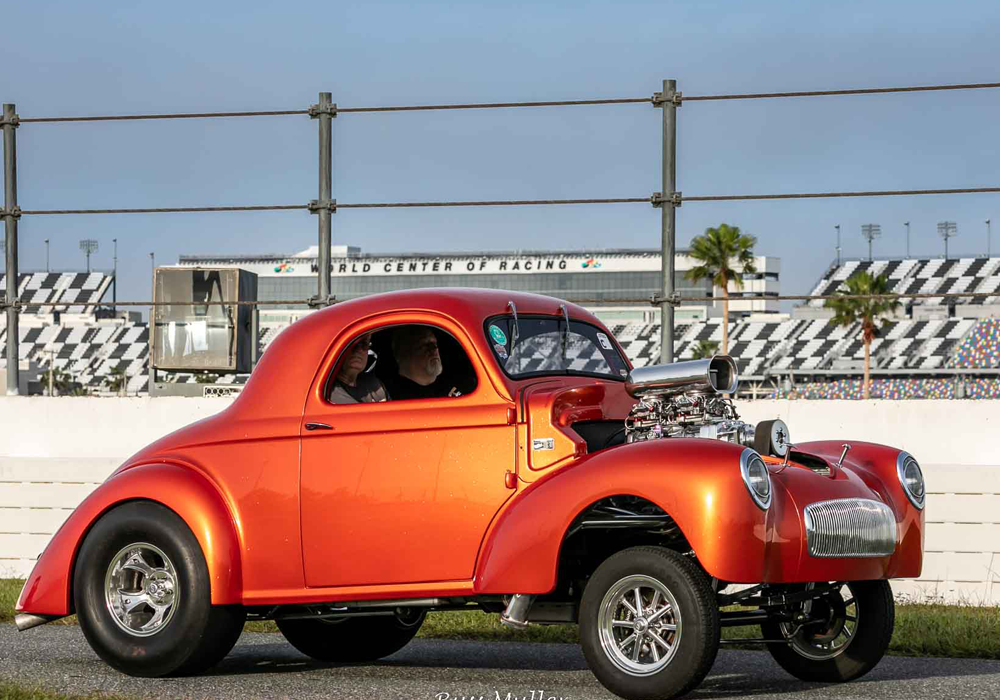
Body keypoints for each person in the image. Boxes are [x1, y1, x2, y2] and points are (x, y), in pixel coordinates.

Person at [386, 326, 464, 400]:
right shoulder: (393, 398)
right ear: (404, 353)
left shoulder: (457, 377)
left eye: (435, 343)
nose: (435, 349)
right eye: (425, 345)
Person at [329, 333, 389, 404]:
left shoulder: (375, 384)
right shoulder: (326, 393)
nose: (359, 350)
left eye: (365, 343)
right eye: (353, 343)